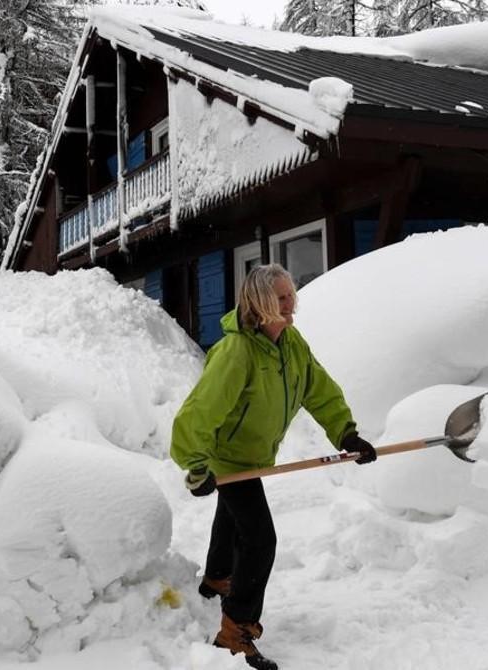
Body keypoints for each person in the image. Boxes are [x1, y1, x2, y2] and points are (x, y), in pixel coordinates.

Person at [171, 264, 376, 670]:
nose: (291, 303)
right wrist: (196, 466)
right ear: (261, 302)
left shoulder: (291, 343)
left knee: (233, 519)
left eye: (291, 294)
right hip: (228, 456)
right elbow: (198, 413)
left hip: (252, 454)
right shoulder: (237, 352)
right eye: (281, 297)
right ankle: (235, 630)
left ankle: (216, 578)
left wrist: (346, 434)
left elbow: (320, 390)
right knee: (260, 539)